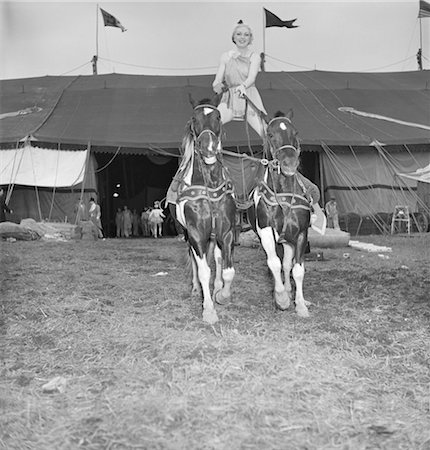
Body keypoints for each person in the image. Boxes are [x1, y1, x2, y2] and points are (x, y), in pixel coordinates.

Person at [212, 20, 267, 138]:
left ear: (250, 39)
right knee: (212, 124)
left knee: (266, 132)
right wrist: (217, 85)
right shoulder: (225, 56)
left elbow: (252, 78)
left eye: (246, 35)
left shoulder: (255, 57)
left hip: (249, 96)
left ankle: (276, 153)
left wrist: (243, 86)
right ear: (233, 37)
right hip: (229, 98)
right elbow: (217, 80)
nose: (242, 37)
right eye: (239, 34)